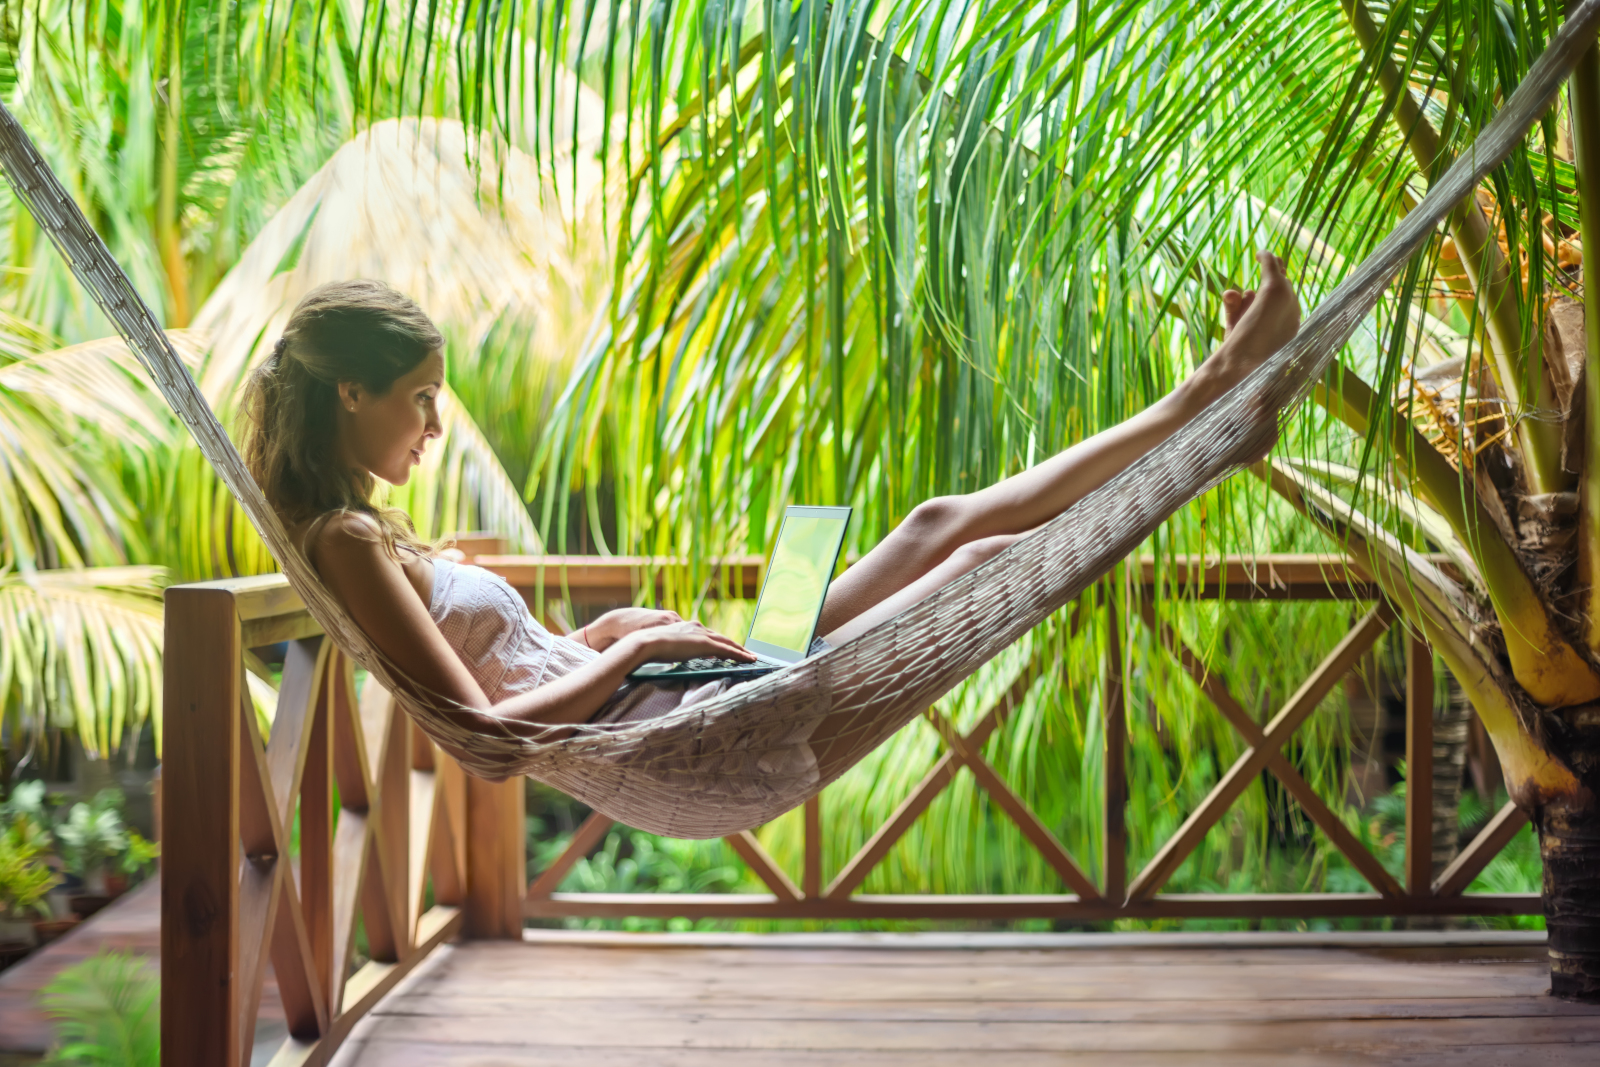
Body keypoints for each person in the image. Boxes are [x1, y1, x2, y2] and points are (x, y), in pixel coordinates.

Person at [243, 251, 1299, 739]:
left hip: (684, 687)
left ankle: (1205, 398)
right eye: (422, 398)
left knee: (936, 523)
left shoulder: (364, 529)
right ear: (350, 391)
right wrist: (630, 654)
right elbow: (487, 733)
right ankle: (1215, 432)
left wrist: (608, 629)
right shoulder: (344, 539)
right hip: (683, 716)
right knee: (979, 562)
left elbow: (520, 662)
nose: (435, 425)